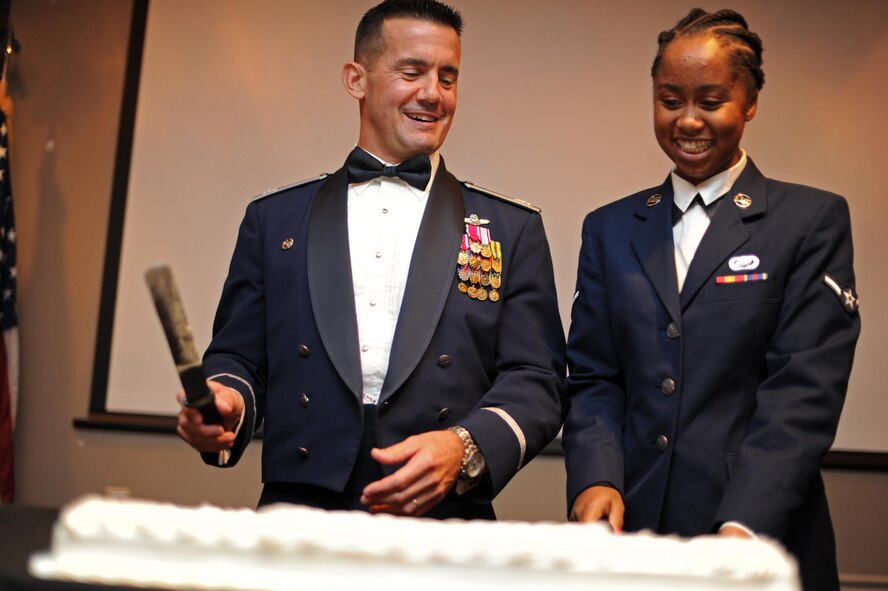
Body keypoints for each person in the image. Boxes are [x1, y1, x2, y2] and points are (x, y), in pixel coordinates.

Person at [176, 0, 564, 521]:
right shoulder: (274, 220)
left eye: (448, 77)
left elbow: (537, 379)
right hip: (300, 516)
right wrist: (226, 403)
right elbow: (239, 360)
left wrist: (464, 446)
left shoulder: (512, 229)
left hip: (444, 520)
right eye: (412, 72)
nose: (433, 94)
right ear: (356, 79)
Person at [562, 8, 859, 590]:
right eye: (670, 100)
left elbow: (802, 392)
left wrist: (745, 524)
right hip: (632, 538)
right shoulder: (609, 228)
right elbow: (594, 377)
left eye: (711, 100)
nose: (688, 120)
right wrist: (596, 479)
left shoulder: (810, 221)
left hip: (758, 538)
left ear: (749, 103)